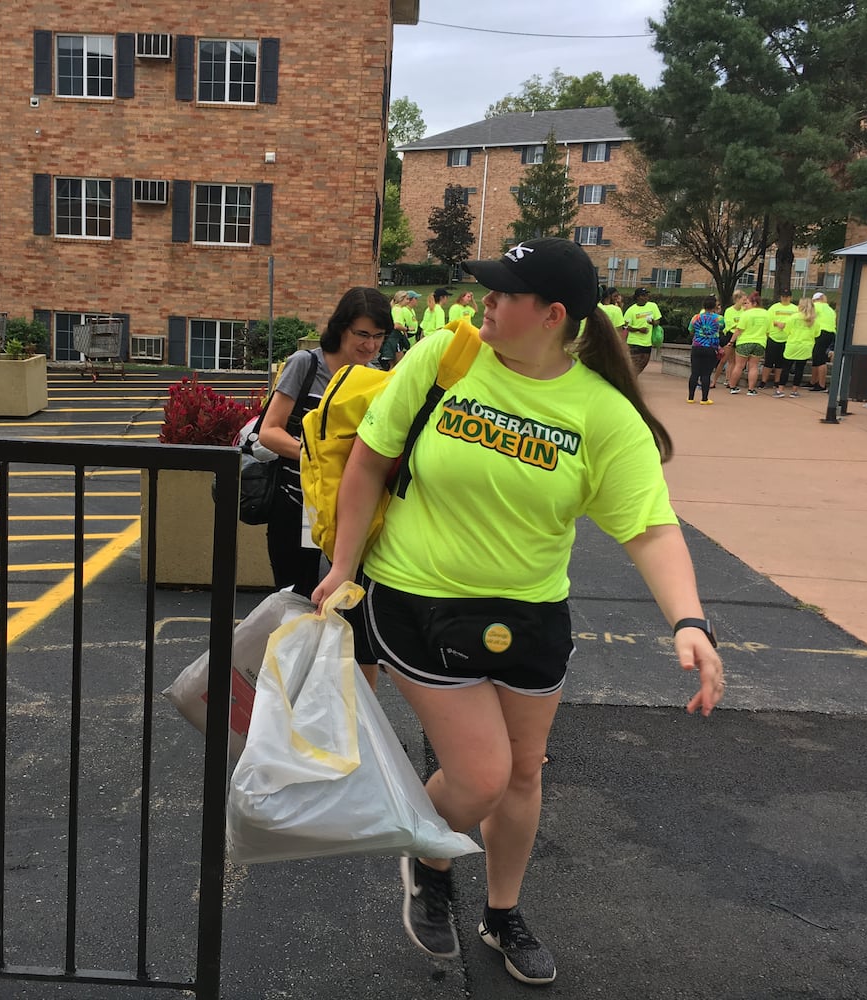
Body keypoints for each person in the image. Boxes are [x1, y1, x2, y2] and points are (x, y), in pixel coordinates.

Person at [311, 238, 724, 987]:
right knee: (479, 776)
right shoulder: (445, 357)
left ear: (552, 315)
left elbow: (650, 526)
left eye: (502, 294)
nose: (483, 304)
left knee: (523, 774)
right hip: (418, 599)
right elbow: (369, 457)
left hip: (530, 613)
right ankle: (427, 848)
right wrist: (344, 565)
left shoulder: (600, 413)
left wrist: (689, 622)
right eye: (484, 291)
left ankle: (501, 914)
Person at [259, 287, 391, 597]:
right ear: (341, 327)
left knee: (346, 605)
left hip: (351, 510)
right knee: (295, 601)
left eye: (379, 336)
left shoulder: (378, 378)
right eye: (362, 334)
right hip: (297, 503)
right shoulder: (305, 364)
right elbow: (269, 431)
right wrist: (317, 457)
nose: (370, 345)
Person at [774, 296, 817, 398]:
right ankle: (794, 391)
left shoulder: (793, 317)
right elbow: (816, 333)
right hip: (806, 346)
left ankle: (780, 390)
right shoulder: (813, 320)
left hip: (793, 344)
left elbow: (787, 330)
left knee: (786, 368)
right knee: (800, 369)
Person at [727, 293, 769, 395]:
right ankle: (751, 389)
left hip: (744, 342)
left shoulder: (746, 314)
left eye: (747, 303)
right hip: (759, 342)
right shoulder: (767, 313)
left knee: (739, 365)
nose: (745, 305)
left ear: (754, 303)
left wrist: (731, 341)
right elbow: (768, 331)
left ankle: (732, 386)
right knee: (753, 366)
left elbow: (739, 330)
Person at [686, 296, 725, 404]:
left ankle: (690, 397)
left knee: (694, 373)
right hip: (711, 348)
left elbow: (690, 330)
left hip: (697, 346)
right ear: (714, 306)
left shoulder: (696, 317)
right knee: (706, 374)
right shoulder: (719, 318)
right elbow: (721, 328)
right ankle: (704, 399)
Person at [762, 289, 798, 391]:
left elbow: (797, 322)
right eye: (783, 296)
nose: (785, 298)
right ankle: (764, 381)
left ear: (790, 297)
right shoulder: (774, 307)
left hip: (787, 338)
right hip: (774, 337)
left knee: (781, 363)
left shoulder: (795, 309)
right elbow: (768, 319)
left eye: (787, 296)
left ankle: (777, 382)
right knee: (768, 361)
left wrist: (786, 325)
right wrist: (777, 323)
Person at [621, 287, 660, 375]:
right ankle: (631, 380)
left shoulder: (652, 306)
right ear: (638, 297)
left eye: (647, 295)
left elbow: (657, 321)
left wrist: (653, 322)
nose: (646, 297)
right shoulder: (631, 310)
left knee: (643, 363)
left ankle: (632, 377)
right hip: (634, 342)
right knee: (634, 363)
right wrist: (638, 329)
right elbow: (626, 326)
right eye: (644, 295)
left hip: (647, 342)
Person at [716, 290, 747, 389]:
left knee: (734, 361)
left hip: (741, 336)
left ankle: (729, 380)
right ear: (737, 299)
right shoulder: (729, 310)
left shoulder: (745, 310)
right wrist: (739, 326)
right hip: (730, 335)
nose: (745, 302)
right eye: (743, 299)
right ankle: (714, 380)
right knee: (724, 360)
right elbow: (729, 324)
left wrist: (740, 327)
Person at [809, 291, 837, 392]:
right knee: (817, 356)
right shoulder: (830, 309)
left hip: (820, 332)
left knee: (819, 358)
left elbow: (808, 317)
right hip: (830, 333)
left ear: (815, 300)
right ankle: (813, 382)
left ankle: (821, 384)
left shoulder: (816, 306)